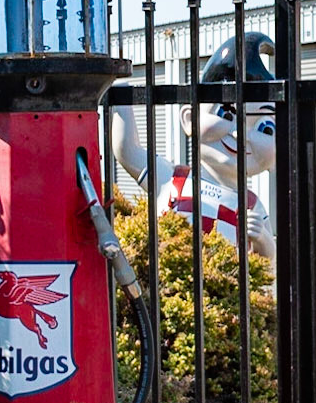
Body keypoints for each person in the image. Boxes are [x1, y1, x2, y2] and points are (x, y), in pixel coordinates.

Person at [113, 31, 278, 261]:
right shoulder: (173, 180)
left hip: (225, 292)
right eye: (226, 113)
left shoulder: (250, 204)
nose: (240, 134)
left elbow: (267, 258)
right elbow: (127, 151)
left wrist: (262, 239)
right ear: (189, 119)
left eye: (264, 127)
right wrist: (121, 100)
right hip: (171, 291)